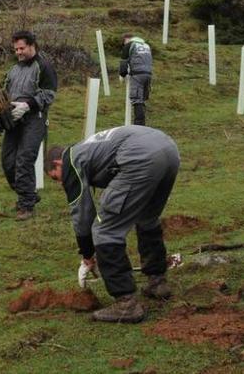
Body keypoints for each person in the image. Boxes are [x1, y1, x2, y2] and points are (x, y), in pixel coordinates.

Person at [45, 125, 179, 323]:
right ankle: (157, 282)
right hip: (168, 149)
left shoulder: (70, 160)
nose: (61, 184)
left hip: (140, 157)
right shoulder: (88, 148)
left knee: (104, 230)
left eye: (56, 177)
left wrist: (87, 254)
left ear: (58, 162)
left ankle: (126, 304)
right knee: (147, 217)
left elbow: (82, 214)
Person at [2, 30, 57, 221]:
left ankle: (26, 205)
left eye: (22, 48)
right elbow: (4, 90)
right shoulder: (14, 70)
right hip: (14, 119)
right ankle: (30, 195)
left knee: (24, 160)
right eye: (16, 49)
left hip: (35, 118)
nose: (18, 52)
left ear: (32, 46)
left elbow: (49, 93)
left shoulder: (44, 67)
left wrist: (28, 105)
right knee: (8, 162)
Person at [118, 34, 152, 126]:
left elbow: (123, 64)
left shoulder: (129, 45)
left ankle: (139, 125)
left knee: (137, 100)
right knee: (142, 99)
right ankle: (143, 123)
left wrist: (122, 74)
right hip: (148, 75)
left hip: (137, 75)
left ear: (126, 40)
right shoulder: (146, 45)